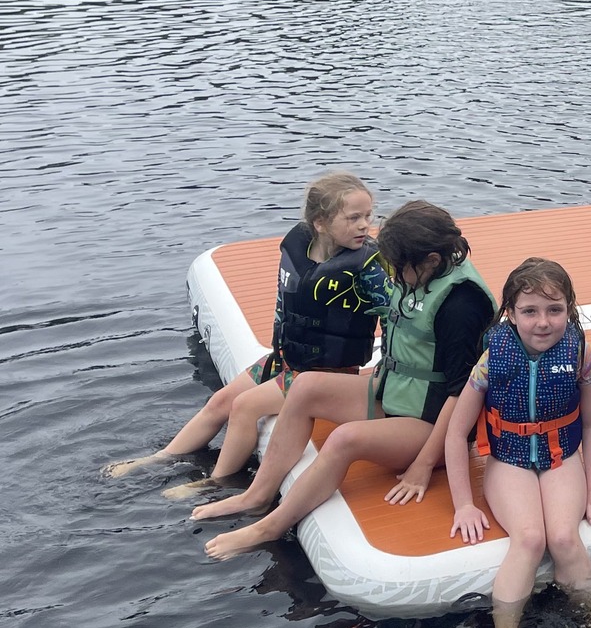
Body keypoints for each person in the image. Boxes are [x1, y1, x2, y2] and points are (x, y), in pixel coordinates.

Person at [196, 201, 495, 559]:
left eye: (399, 268)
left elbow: (461, 394)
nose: (394, 277)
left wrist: (423, 465)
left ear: (431, 260)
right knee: (305, 387)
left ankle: (270, 527)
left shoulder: (462, 305)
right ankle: (257, 495)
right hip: (396, 393)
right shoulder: (423, 272)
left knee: (344, 439)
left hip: (433, 425)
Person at [106, 172, 387, 485]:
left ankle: (215, 482)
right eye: (354, 218)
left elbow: (394, 316)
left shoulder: (369, 268)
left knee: (245, 406)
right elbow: (284, 307)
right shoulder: (300, 248)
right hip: (288, 361)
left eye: (368, 216)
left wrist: (388, 372)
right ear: (320, 223)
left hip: (328, 376)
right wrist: (278, 353)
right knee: (220, 402)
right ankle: (159, 458)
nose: (365, 225)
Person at [444, 258, 591, 628]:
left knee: (563, 537)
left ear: (570, 311)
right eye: (530, 311)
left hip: (560, 458)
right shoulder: (491, 359)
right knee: (529, 539)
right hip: (509, 461)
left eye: (555, 310)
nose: (543, 322)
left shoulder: (580, 354)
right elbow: (455, 434)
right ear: (511, 314)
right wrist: (463, 504)